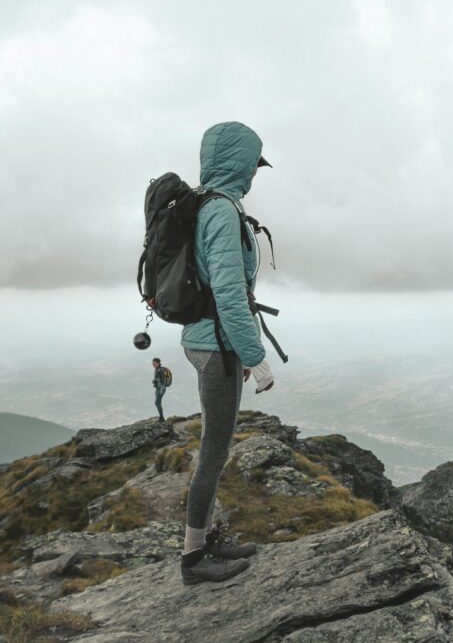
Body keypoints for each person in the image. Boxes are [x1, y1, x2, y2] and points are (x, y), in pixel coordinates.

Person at [179, 121, 277, 585]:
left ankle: (205, 538)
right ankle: (195, 560)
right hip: (217, 344)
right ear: (239, 164)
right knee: (213, 453)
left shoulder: (207, 205)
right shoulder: (220, 212)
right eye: (252, 166)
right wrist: (255, 358)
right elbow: (229, 294)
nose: (254, 175)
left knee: (213, 452)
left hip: (209, 340)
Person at [151, 358, 168, 423]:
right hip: (157, 388)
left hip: (161, 389)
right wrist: (154, 380)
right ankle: (161, 417)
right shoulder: (156, 369)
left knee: (157, 403)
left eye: (154, 363)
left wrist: (162, 389)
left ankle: (162, 418)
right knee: (158, 403)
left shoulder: (161, 370)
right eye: (152, 363)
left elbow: (163, 381)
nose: (153, 365)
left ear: (158, 363)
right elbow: (157, 379)